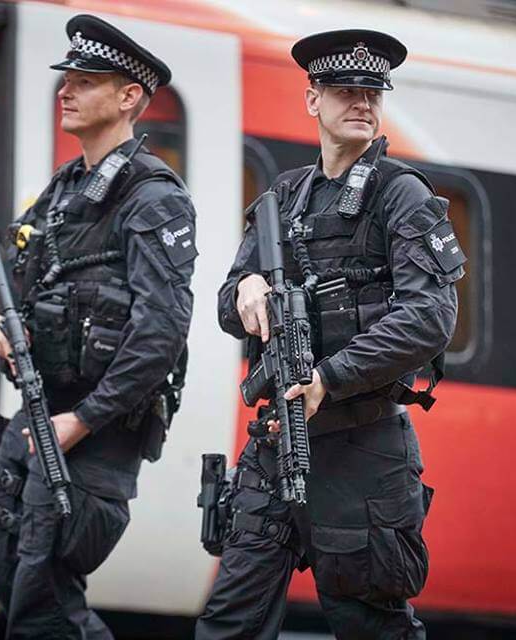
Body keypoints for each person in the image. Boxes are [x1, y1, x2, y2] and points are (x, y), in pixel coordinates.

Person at [196, 29, 463, 639]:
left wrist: (329, 378)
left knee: (371, 625)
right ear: (312, 100)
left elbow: (431, 316)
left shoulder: (403, 196)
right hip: (274, 443)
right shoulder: (282, 199)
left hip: (363, 450)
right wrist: (246, 291)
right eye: (346, 90)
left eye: (373, 91)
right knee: (228, 623)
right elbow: (225, 305)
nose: (363, 103)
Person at [0, 14, 196, 639]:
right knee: (13, 579)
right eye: (67, 78)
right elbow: (6, 278)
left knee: (44, 613)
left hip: (92, 436)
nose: (66, 91)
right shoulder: (64, 188)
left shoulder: (155, 199)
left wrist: (85, 419)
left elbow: (161, 334)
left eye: (86, 80)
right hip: (38, 418)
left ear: (129, 97)